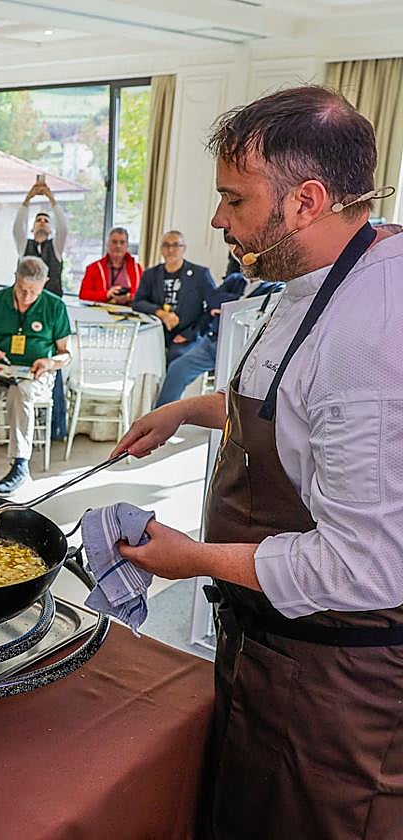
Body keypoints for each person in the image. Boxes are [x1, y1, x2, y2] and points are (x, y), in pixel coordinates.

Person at [113, 85, 403, 840]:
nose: (215, 219)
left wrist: (194, 559)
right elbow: (289, 406)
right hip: (271, 646)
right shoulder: (320, 275)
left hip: (338, 682)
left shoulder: (369, 335)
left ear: (306, 201)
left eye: (233, 200)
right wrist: (182, 410)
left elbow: (365, 568)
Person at [0, 256, 72, 494]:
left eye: (33, 292)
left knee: (20, 392)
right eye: (22, 290)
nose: (26, 297)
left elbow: (66, 355)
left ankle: (20, 464)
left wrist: (49, 361)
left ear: (45, 284)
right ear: (15, 279)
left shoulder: (55, 306)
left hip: (35, 373)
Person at [154, 270, 281, 408]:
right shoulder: (235, 279)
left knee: (229, 388)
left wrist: (228, 305)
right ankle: (160, 415)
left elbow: (256, 315)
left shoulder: (275, 288)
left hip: (242, 349)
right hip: (212, 342)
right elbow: (212, 298)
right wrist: (240, 302)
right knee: (177, 369)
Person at [132, 230, 216, 362]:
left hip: (187, 334)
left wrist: (191, 334)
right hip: (156, 332)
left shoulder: (200, 274)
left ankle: (165, 384)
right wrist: (160, 313)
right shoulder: (150, 274)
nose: (170, 250)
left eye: (176, 245)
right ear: (161, 249)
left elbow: (214, 308)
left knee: (175, 358)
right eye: (166, 245)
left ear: (184, 249)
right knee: (137, 353)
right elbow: (138, 302)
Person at [13, 182, 70, 296]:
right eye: (38, 220)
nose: (42, 222)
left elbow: (63, 228)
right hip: (25, 298)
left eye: (46, 221)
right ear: (32, 229)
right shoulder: (24, 246)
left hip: (51, 300)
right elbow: (17, 227)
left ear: (50, 230)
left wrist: (51, 198)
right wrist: (28, 198)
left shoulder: (56, 248)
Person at [79, 227, 142, 304]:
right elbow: (83, 295)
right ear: (107, 244)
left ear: (127, 245)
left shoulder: (138, 269)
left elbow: (145, 297)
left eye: (122, 242)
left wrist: (129, 297)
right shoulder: (93, 268)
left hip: (129, 312)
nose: (118, 246)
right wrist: (107, 294)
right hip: (100, 312)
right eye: (114, 242)